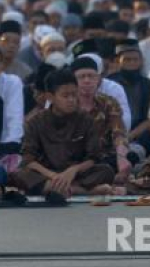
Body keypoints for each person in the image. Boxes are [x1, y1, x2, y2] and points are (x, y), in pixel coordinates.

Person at [10, 69, 116, 204]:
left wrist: (73, 170)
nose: (71, 100)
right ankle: (83, 191)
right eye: (65, 96)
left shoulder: (86, 120)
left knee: (106, 170)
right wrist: (54, 176)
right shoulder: (34, 122)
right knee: (20, 175)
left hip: (76, 174)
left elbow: (93, 157)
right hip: (47, 174)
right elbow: (29, 159)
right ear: (50, 97)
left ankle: (58, 190)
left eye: (74, 94)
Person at [71, 56, 131, 180]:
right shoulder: (66, 104)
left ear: (98, 79)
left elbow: (118, 132)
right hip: (72, 158)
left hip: (103, 157)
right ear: (73, 81)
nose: (87, 81)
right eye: (82, 77)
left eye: (91, 76)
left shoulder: (109, 102)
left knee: (129, 157)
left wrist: (121, 156)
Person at [107, 41, 150, 152]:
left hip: (139, 134)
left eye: (135, 60)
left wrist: (130, 136)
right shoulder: (110, 83)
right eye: (127, 60)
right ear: (119, 61)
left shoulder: (148, 84)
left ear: (141, 61)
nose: (132, 63)